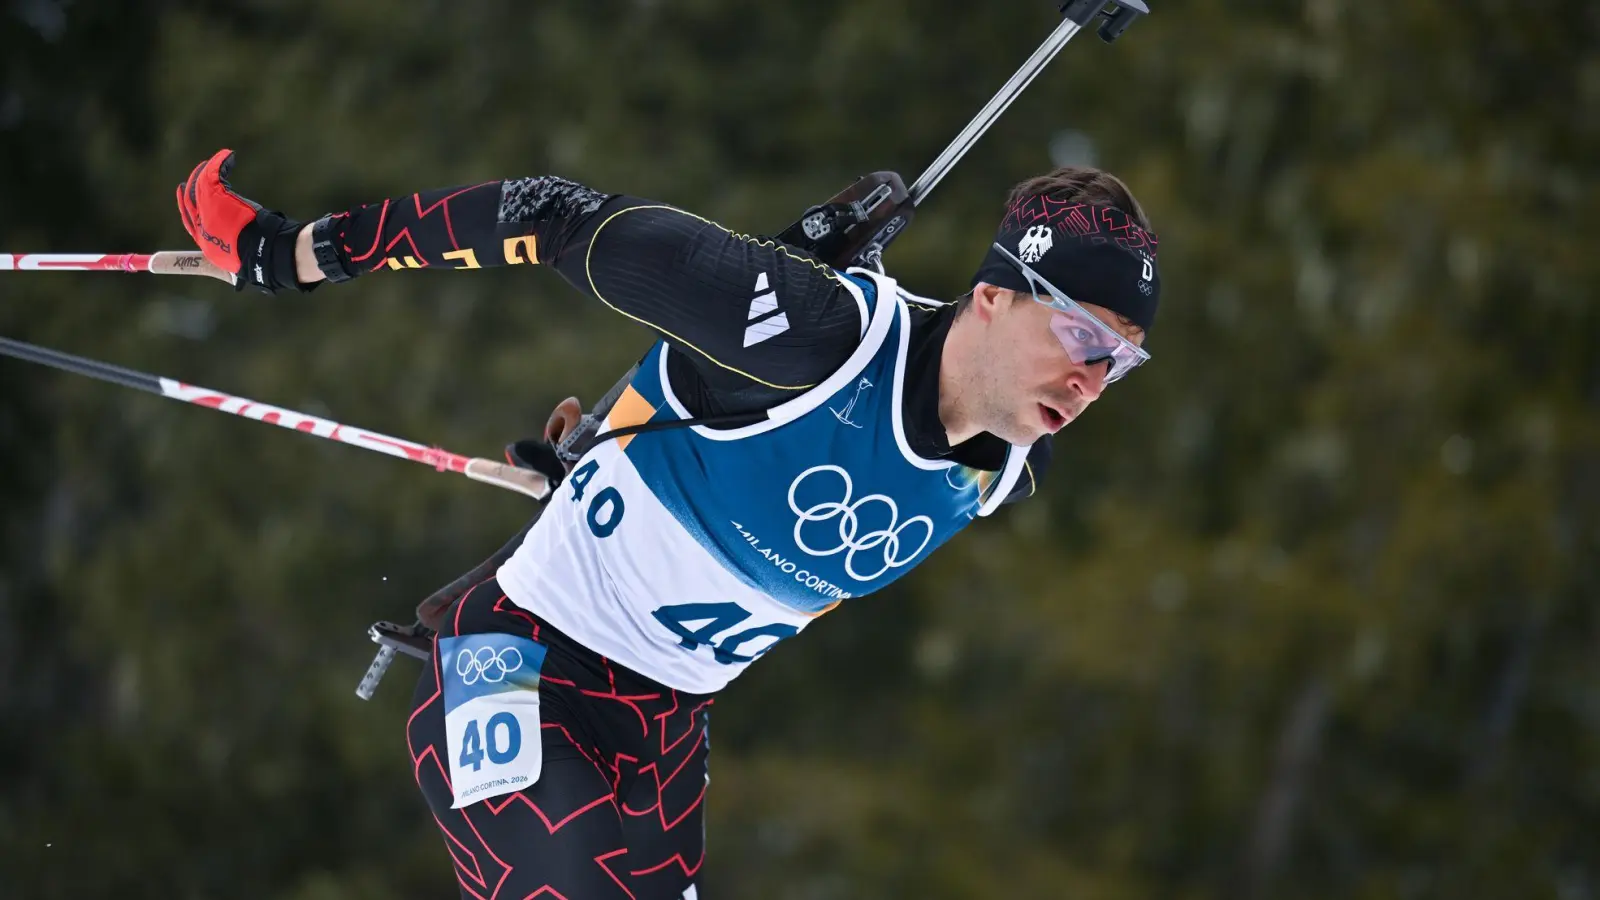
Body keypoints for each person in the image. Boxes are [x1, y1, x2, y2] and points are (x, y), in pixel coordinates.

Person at [175, 148, 1161, 900]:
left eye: (1116, 364)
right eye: (1078, 335)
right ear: (990, 297)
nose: (1089, 378)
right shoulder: (816, 336)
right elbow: (552, 218)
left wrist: (605, 453)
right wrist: (295, 255)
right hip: (513, 662)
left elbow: (711, 431)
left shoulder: (1003, 471)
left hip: (663, 739)